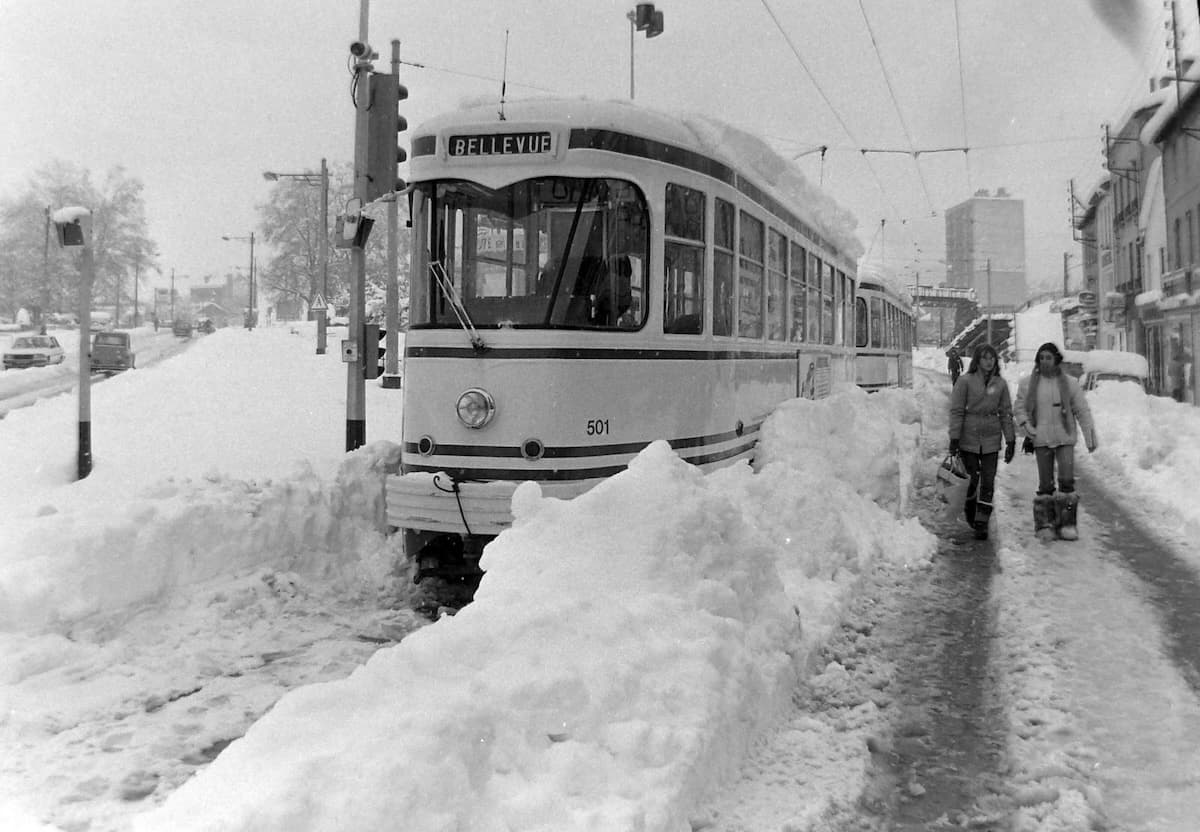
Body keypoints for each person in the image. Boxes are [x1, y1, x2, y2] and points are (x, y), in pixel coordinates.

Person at [1014, 342, 1098, 541]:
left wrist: (1090, 436)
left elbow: (1082, 410)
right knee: (1045, 484)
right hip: (1041, 439)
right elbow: (1019, 408)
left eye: (1048, 358)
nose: (1045, 362)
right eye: (1041, 358)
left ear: (1056, 360)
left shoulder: (1070, 383)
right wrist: (1028, 427)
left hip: (1065, 437)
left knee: (1067, 481)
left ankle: (1067, 524)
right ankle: (1045, 524)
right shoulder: (1027, 384)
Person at [948, 343, 1016, 540]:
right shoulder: (965, 382)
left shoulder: (1000, 384)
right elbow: (957, 411)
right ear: (978, 360)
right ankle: (970, 508)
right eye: (985, 358)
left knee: (988, 481)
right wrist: (954, 438)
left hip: (991, 440)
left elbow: (1005, 413)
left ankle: (982, 522)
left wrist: (1010, 440)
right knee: (972, 480)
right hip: (968, 438)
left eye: (992, 358)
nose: (989, 361)